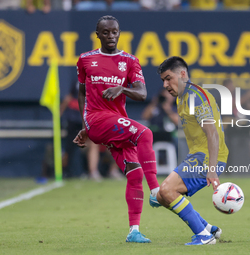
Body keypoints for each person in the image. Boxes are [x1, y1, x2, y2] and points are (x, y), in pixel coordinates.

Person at [73, 15, 160, 243]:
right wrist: (85, 126)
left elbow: (141, 93)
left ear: (119, 33)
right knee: (146, 133)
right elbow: (82, 93)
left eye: (115, 32)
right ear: (98, 35)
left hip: (117, 122)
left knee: (135, 173)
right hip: (96, 118)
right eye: (106, 32)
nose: (111, 36)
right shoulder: (85, 60)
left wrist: (121, 89)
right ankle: (155, 191)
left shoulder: (130, 61)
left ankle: (134, 231)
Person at [152, 56, 229, 245]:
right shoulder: (182, 98)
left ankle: (204, 237)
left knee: (167, 190)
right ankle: (207, 228)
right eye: (163, 80)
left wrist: (212, 169)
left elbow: (212, 134)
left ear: (183, 74)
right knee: (161, 196)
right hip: (198, 156)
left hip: (208, 158)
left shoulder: (196, 96)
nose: (165, 84)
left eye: (168, 78)